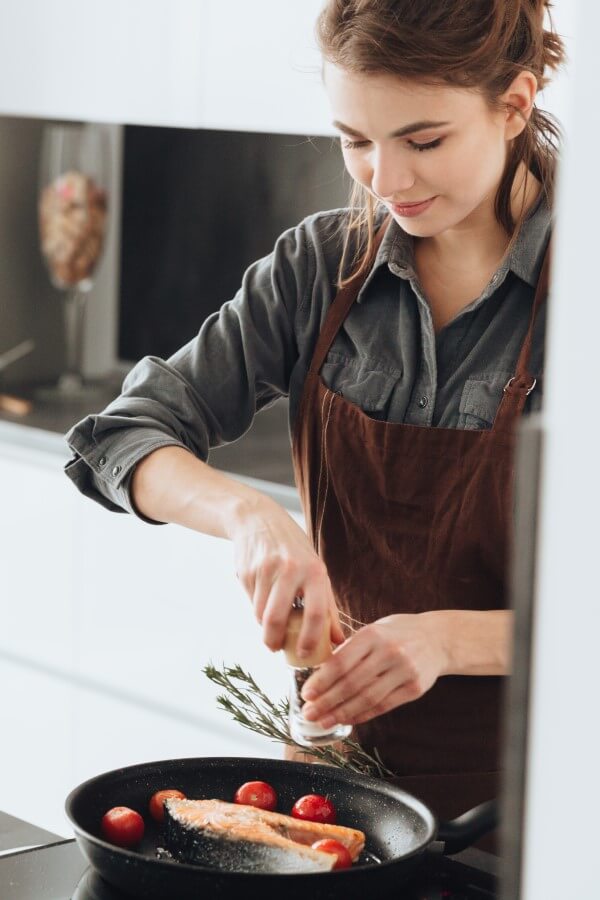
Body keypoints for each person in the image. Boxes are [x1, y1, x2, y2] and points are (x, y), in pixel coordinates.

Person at [65, 0, 565, 842]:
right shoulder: (319, 266)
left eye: (423, 140)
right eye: (355, 140)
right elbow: (122, 436)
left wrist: (448, 641)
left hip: (547, 798)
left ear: (514, 104)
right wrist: (248, 516)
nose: (385, 180)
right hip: (341, 788)